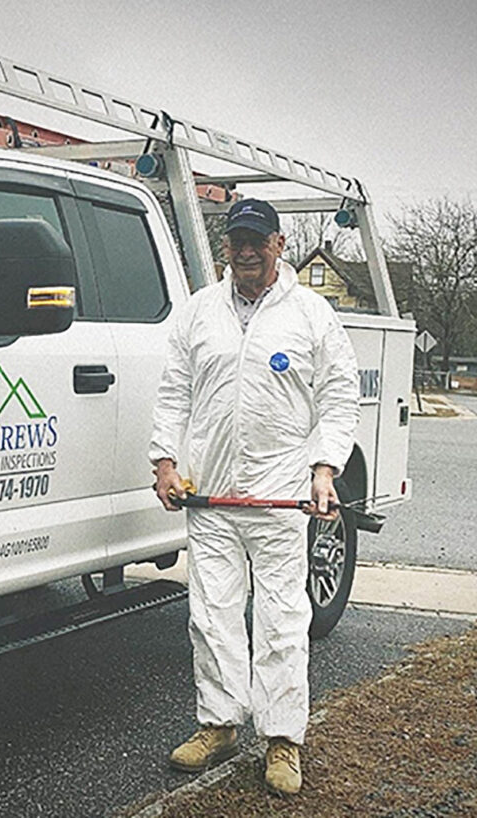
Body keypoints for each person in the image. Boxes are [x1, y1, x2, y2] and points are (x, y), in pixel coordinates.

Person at [148, 198, 359, 795]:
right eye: (236, 241)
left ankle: (283, 740)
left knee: (282, 621)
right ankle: (218, 725)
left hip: (278, 499)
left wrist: (324, 469)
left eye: (256, 241)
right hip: (211, 498)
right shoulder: (198, 313)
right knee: (211, 617)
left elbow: (340, 397)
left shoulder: (311, 315)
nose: (245, 251)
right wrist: (165, 461)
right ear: (227, 248)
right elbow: (174, 392)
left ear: (279, 245)